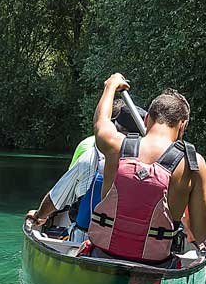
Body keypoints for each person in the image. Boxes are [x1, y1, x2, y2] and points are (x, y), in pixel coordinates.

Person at [87, 73, 206, 263]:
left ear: (146, 120)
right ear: (183, 126)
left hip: (103, 255)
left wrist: (110, 86)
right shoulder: (193, 164)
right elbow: (201, 234)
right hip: (154, 263)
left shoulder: (115, 144)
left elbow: (100, 121)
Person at [26, 99, 142, 243]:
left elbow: (56, 198)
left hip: (87, 239)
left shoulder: (91, 156)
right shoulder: (152, 163)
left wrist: (39, 216)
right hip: (133, 243)